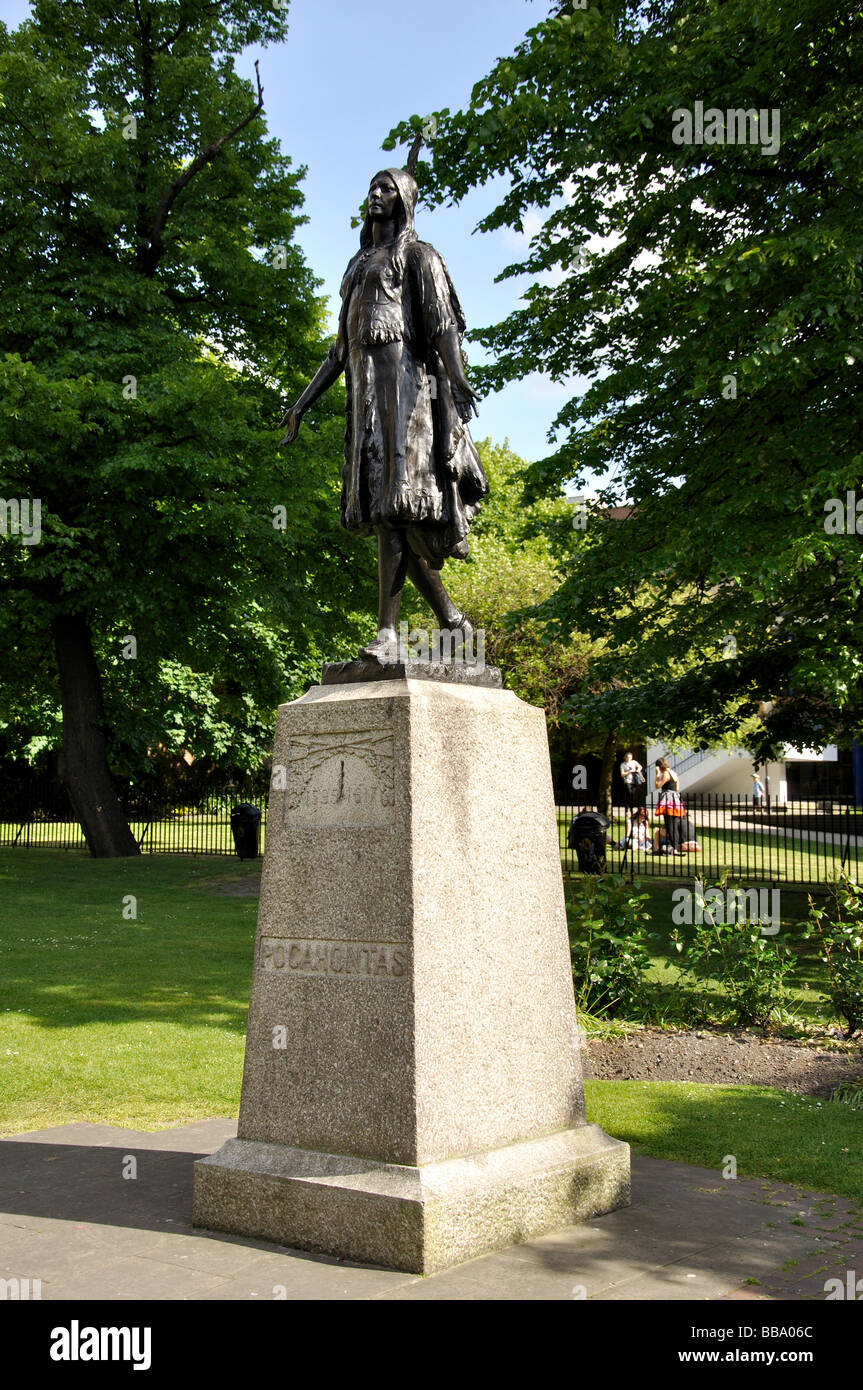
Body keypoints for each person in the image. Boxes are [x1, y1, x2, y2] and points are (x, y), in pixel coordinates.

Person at [280, 167, 488, 662]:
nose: (375, 195)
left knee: (394, 511)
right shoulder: (357, 266)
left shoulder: (418, 256)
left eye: (387, 188)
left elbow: (441, 327)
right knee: (385, 514)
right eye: (371, 187)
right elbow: (338, 351)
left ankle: (388, 634)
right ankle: (453, 623)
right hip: (367, 400)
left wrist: (457, 381)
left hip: (409, 396)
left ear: (404, 200)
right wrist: (300, 406)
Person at [655, 757, 685, 853]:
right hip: (675, 800)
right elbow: (677, 787)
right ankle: (675, 847)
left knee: (669, 824)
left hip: (668, 800)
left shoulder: (665, 774)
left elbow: (657, 785)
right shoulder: (674, 773)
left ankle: (673, 847)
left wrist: (657, 775)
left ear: (659, 766)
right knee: (674, 824)